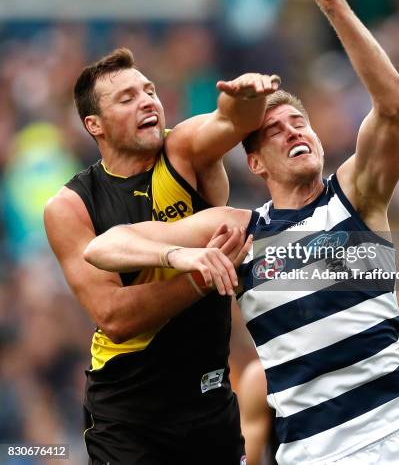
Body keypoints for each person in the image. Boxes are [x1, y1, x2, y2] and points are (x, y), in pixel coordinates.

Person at [84, 0, 399, 464]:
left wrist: (330, 2)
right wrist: (183, 254)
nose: (296, 133)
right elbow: (105, 246)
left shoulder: (355, 198)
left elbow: (394, 106)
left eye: (302, 123)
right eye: (278, 130)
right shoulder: (241, 231)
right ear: (256, 163)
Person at [44, 49, 280, 465]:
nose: (147, 101)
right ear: (93, 125)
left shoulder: (183, 150)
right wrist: (197, 276)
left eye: (149, 91)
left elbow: (230, 121)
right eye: (127, 98)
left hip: (210, 400)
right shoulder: (70, 207)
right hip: (129, 409)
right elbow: (115, 317)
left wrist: (248, 97)